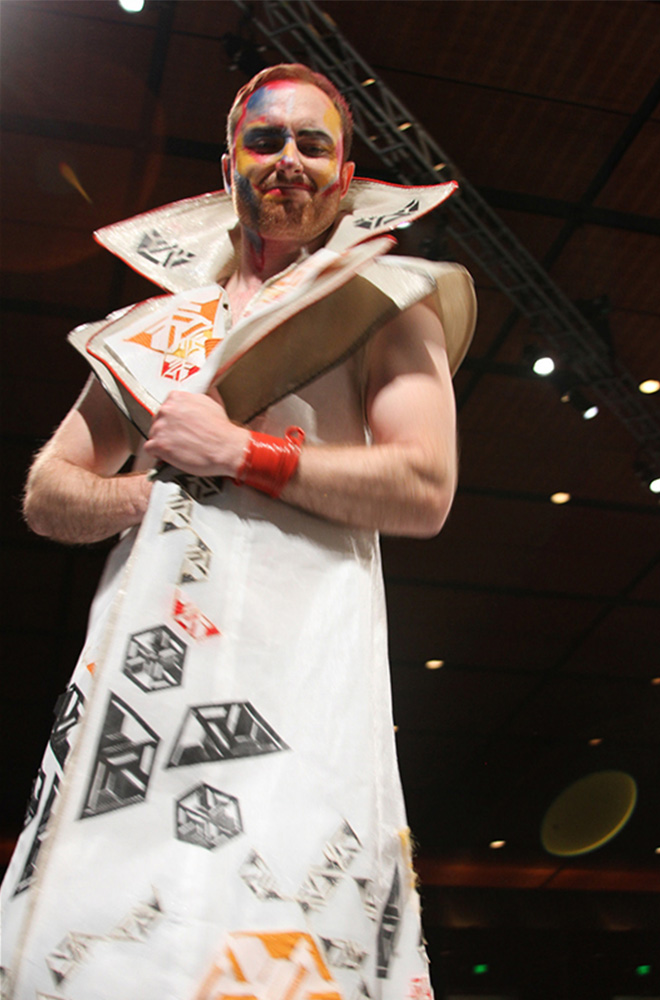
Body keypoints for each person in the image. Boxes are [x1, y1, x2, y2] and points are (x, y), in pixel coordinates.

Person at [1, 64, 475, 1000]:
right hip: (138, 682)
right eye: (266, 141)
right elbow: (48, 492)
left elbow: (425, 487)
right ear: (230, 167)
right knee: (101, 938)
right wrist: (158, 497)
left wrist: (242, 453)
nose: (288, 158)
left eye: (312, 142)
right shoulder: (152, 332)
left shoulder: (387, 299)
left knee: (285, 925)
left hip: (297, 674)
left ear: (347, 174)